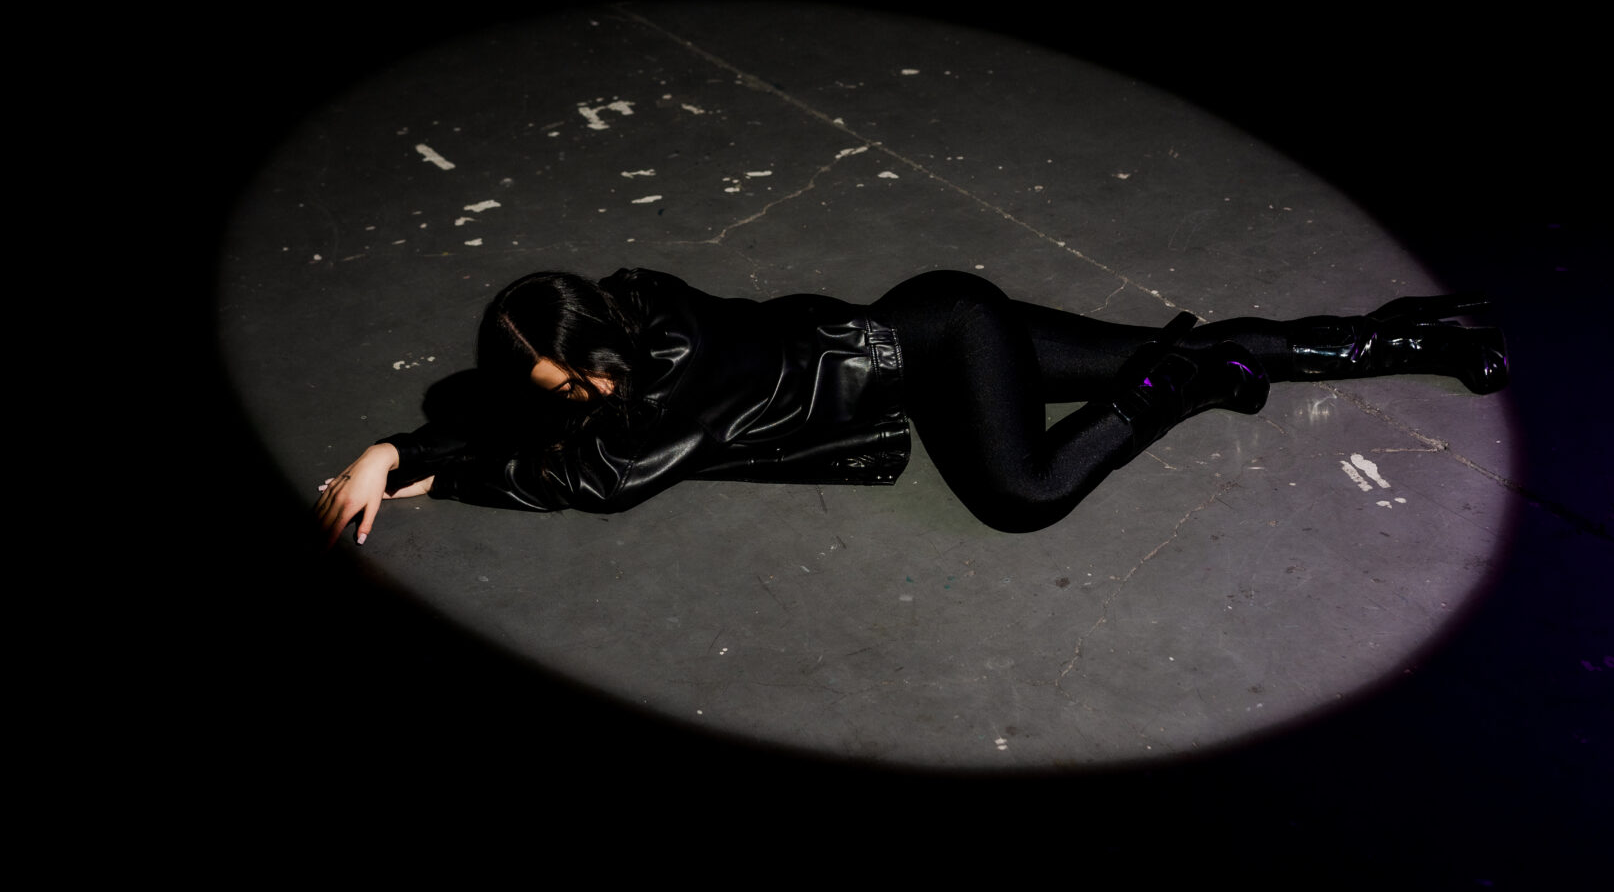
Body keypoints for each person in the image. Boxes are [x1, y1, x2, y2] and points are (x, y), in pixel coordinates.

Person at [313, 267, 1510, 551]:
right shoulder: (622, 324)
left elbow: (596, 477)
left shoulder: (675, 367)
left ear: (607, 348)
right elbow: (531, 416)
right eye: (568, 392)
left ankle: (1170, 394)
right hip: (930, 323)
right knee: (1164, 338)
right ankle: (1408, 332)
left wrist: (449, 475)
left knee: (1024, 493)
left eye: (585, 381)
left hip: (936, 348)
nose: (589, 401)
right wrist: (391, 449)